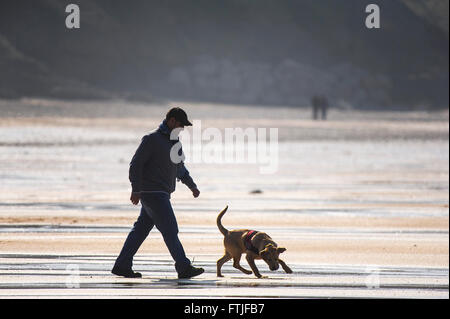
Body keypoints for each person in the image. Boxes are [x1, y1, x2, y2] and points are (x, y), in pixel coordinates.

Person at [112, 107, 204, 279]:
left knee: (140, 231)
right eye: (180, 125)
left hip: (160, 193)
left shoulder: (175, 143)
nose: (182, 129)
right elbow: (135, 164)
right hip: (153, 193)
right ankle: (183, 267)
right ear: (171, 121)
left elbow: (180, 169)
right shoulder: (151, 139)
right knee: (170, 229)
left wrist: (192, 186)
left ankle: (122, 265)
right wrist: (136, 189)